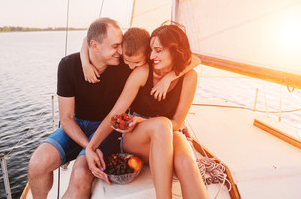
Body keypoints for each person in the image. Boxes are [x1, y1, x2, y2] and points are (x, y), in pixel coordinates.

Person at [85, 23, 208, 199]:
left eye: (158, 50)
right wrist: (91, 146)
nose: (152, 56)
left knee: (185, 160)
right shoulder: (143, 71)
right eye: (151, 50)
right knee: (161, 125)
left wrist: (170, 77)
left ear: (174, 50)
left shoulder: (189, 77)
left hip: (167, 134)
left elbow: (177, 123)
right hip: (135, 137)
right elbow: (116, 112)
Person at [27, 17, 131, 199]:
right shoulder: (68, 66)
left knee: (80, 174)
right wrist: (88, 147)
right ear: (94, 46)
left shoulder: (125, 66)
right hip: (77, 125)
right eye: (115, 46)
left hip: (107, 130)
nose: (120, 51)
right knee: (37, 163)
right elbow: (66, 117)